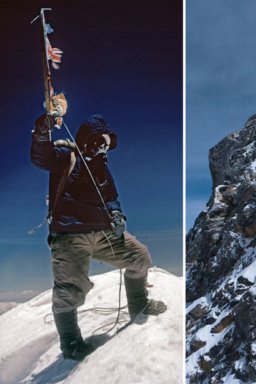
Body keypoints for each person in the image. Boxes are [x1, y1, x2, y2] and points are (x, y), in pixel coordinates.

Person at [31, 113, 167, 361]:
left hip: (103, 233)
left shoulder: (102, 167)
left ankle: (139, 305)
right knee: (70, 289)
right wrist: (42, 131)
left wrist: (117, 215)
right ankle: (70, 343)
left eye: (106, 142)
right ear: (86, 140)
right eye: (99, 141)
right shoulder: (66, 157)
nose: (103, 147)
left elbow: (111, 196)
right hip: (70, 235)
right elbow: (41, 156)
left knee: (139, 256)